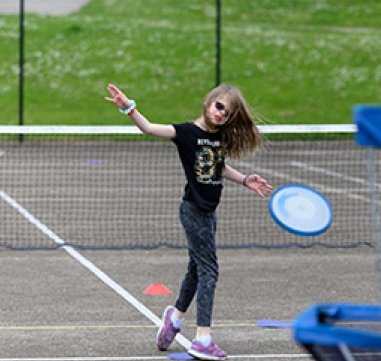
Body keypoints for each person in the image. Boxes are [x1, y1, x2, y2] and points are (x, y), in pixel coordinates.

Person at [105, 83, 273, 360]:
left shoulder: (218, 137)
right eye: (219, 106)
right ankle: (202, 339)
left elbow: (217, 165)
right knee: (210, 270)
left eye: (228, 113)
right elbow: (149, 128)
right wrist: (129, 108)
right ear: (208, 102)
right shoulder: (186, 133)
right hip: (193, 210)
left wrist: (244, 179)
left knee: (197, 268)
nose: (221, 114)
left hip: (209, 211)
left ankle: (175, 316)